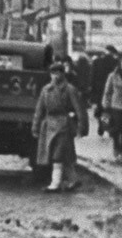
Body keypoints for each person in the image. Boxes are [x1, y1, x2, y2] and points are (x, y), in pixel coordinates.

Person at [32, 60, 88, 192]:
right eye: (53, 73)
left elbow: (79, 109)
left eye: (58, 73)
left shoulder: (70, 89)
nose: (55, 76)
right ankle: (73, 180)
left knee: (58, 155)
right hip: (48, 125)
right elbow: (39, 110)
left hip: (64, 124)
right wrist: (35, 127)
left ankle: (55, 184)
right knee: (64, 155)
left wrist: (82, 127)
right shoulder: (46, 90)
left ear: (63, 74)